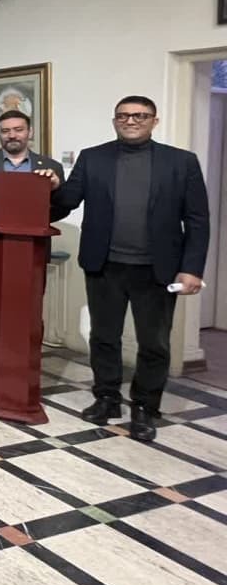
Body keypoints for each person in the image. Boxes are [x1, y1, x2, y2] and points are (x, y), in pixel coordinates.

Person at [49, 96, 210, 443]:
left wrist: (192, 269)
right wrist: (44, 189)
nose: (131, 121)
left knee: (154, 343)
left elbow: (197, 220)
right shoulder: (93, 158)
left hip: (158, 270)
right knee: (103, 338)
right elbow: (65, 203)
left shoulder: (181, 162)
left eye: (139, 116)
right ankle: (106, 398)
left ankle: (145, 407)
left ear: (154, 121)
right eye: (123, 116)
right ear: (114, 121)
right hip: (104, 265)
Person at [0, 109, 66, 382]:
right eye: (6, 131)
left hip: (31, 252)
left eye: (18, 129)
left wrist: (52, 189)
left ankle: (23, 364)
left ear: (29, 132)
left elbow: (61, 208)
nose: (12, 135)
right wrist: (3, 209)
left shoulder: (50, 167)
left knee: (28, 308)